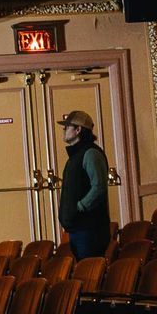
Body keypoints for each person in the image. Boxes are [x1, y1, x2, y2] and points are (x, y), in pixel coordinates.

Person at [59, 109, 112, 259]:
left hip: (90, 229)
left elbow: (99, 187)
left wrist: (80, 206)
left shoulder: (91, 153)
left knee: (89, 269)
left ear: (78, 130)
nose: (64, 130)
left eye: (67, 127)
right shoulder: (76, 155)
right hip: (78, 227)